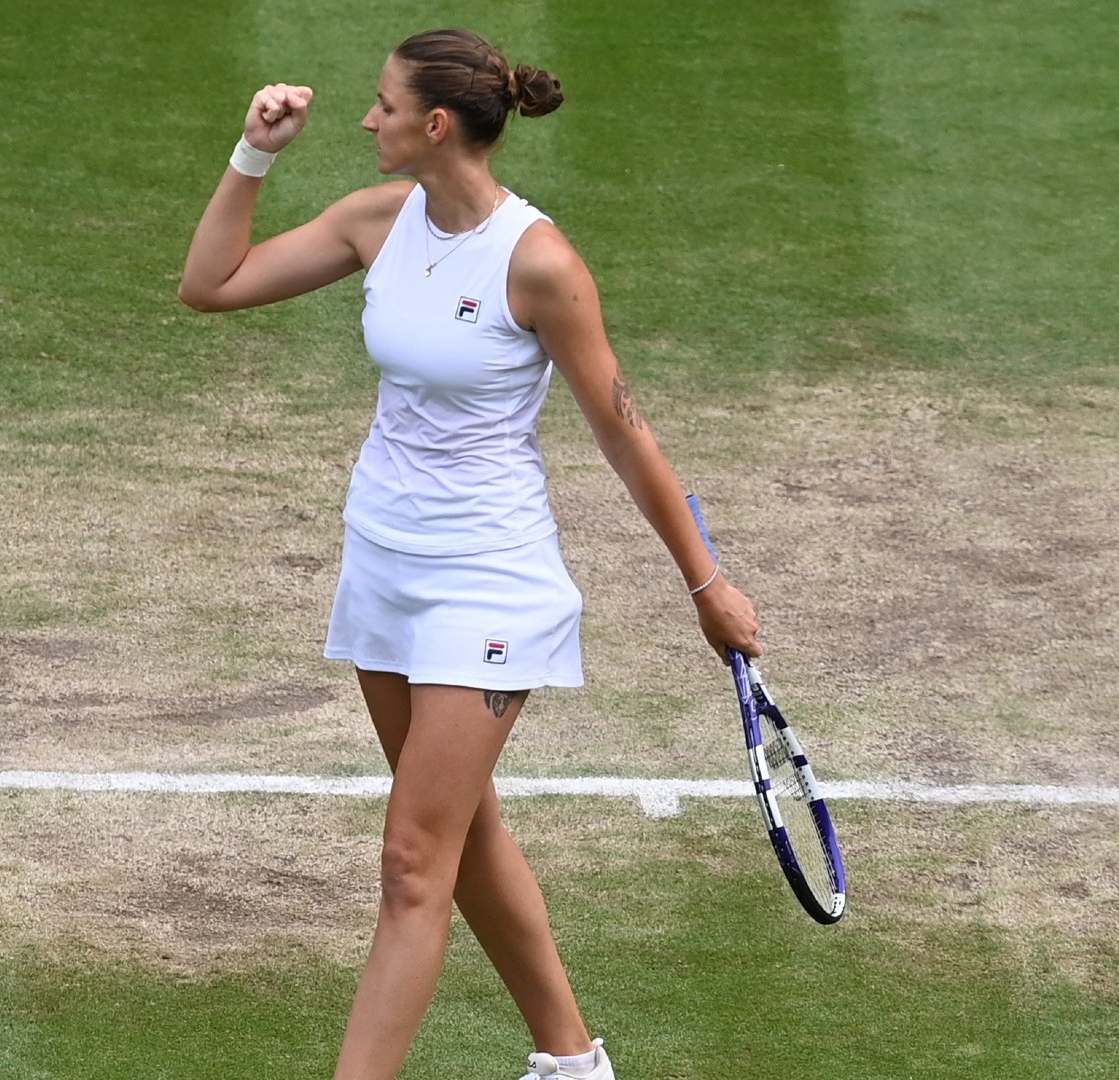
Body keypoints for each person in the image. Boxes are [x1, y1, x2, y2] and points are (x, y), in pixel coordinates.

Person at [178, 28, 762, 1080]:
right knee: (462, 833)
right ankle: (574, 1062)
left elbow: (624, 432)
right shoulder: (378, 222)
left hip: (489, 582)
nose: (366, 120)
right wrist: (252, 153)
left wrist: (705, 583)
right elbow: (211, 284)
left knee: (412, 863)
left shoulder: (538, 264)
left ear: (434, 125)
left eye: (383, 105)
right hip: (385, 567)